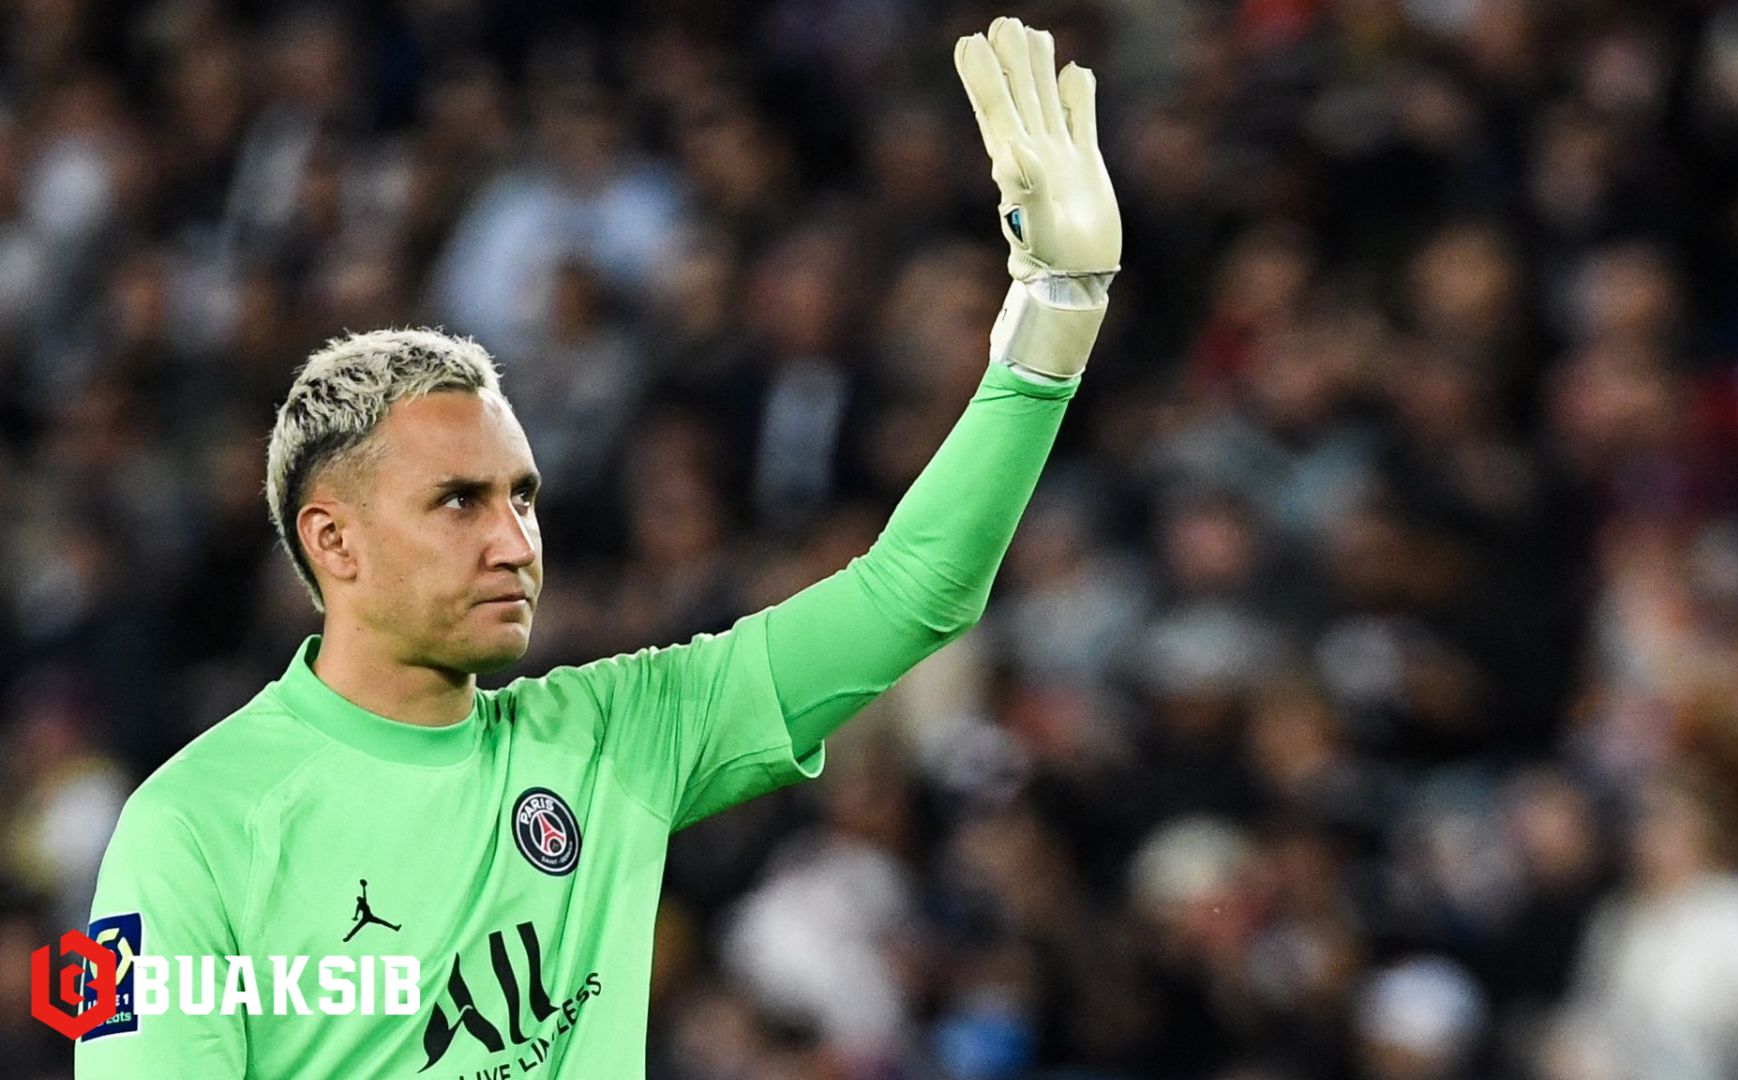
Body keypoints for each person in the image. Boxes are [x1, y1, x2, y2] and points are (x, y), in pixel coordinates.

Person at [75, 18, 1120, 1078]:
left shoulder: (612, 740)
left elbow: (914, 592)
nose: (514, 541)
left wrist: (1053, 321)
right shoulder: (189, 829)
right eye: (458, 502)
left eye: (522, 498)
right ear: (334, 539)